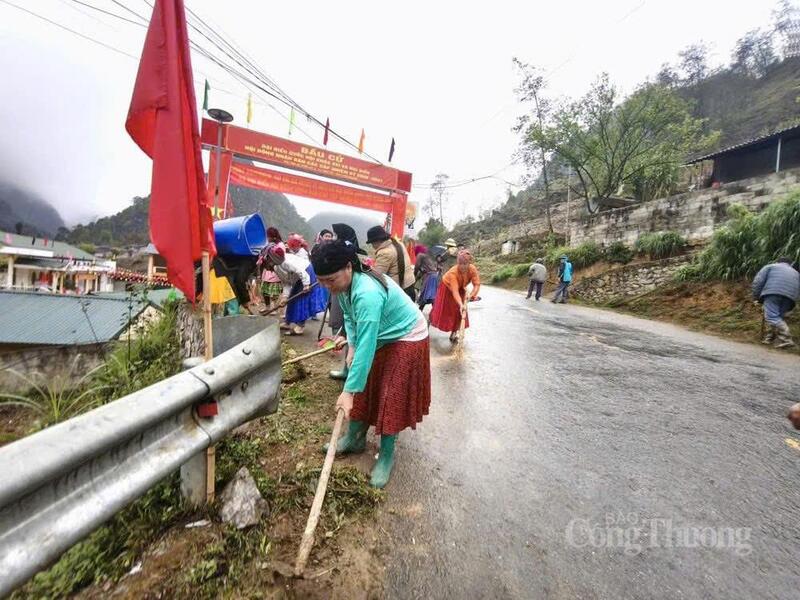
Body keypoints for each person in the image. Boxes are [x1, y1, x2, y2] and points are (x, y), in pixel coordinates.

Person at [312, 239, 431, 489]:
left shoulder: (366, 293)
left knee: (390, 394)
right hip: (382, 333)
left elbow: (367, 348)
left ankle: (386, 456)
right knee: (366, 385)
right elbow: (349, 316)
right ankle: (354, 438)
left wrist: (347, 391)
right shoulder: (344, 285)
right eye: (321, 281)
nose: (326, 287)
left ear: (348, 267)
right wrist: (351, 344)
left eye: (330, 280)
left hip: (408, 335)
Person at [261, 243, 327, 335]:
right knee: (291, 299)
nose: (266, 268)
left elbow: (300, 271)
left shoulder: (285, 262)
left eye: (266, 264)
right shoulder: (277, 267)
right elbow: (287, 283)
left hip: (306, 273)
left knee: (302, 300)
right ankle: (288, 322)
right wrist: (285, 297)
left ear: (270, 259)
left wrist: (306, 284)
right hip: (299, 277)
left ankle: (300, 327)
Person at [429, 250, 481, 342]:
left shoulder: (472, 269)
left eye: (465, 264)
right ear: (458, 263)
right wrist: (461, 304)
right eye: (460, 263)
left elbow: (476, 284)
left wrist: (471, 296)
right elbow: (455, 291)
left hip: (460, 287)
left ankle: (454, 333)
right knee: (442, 309)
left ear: (469, 263)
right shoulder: (454, 273)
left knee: (459, 312)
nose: (462, 266)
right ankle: (430, 320)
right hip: (447, 287)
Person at [752, 257, 800, 348]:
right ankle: (770, 338)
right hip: (790, 297)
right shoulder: (796, 272)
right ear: (790, 264)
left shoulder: (770, 267)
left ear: (777, 262)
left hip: (773, 293)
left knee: (771, 317)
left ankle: (787, 339)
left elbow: (758, 282)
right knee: (778, 318)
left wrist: (756, 297)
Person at [366, 225, 417, 301]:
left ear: (378, 240)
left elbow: (377, 277)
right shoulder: (398, 244)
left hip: (400, 292)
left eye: (372, 243)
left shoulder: (384, 253)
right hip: (410, 285)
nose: (372, 246)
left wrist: (366, 270)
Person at [414, 243, 440, 310]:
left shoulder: (420, 255)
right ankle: (433, 315)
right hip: (435, 276)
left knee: (425, 295)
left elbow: (417, 267)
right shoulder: (428, 256)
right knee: (432, 296)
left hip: (429, 276)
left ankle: (419, 312)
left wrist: (414, 276)